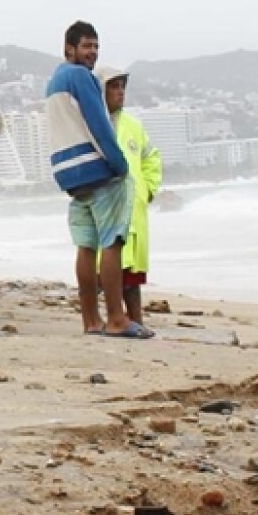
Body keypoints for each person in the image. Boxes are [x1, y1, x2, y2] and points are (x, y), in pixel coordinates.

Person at [44, 21, 150, 338]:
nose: (92, 53)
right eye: (87, 46)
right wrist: (120, 166)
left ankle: (91, 320)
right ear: (69, 48)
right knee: (112, 243)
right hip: (96, 170)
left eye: (96, 47)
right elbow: (98, 124)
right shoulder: (80, 77)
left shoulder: (53, 83)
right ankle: (117, 318)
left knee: (86, 247)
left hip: (70, 176)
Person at [96, 61, 162, 325]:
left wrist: (148, 189)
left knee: (132, 274)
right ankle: (108, 320)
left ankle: (137, 320)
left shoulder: (134, 126)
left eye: (122, 86)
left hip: (133, 207)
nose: (120, 92)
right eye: (113, 86)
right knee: (106, 270)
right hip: (104, 206)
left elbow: (151, 158)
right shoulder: (91, 123)